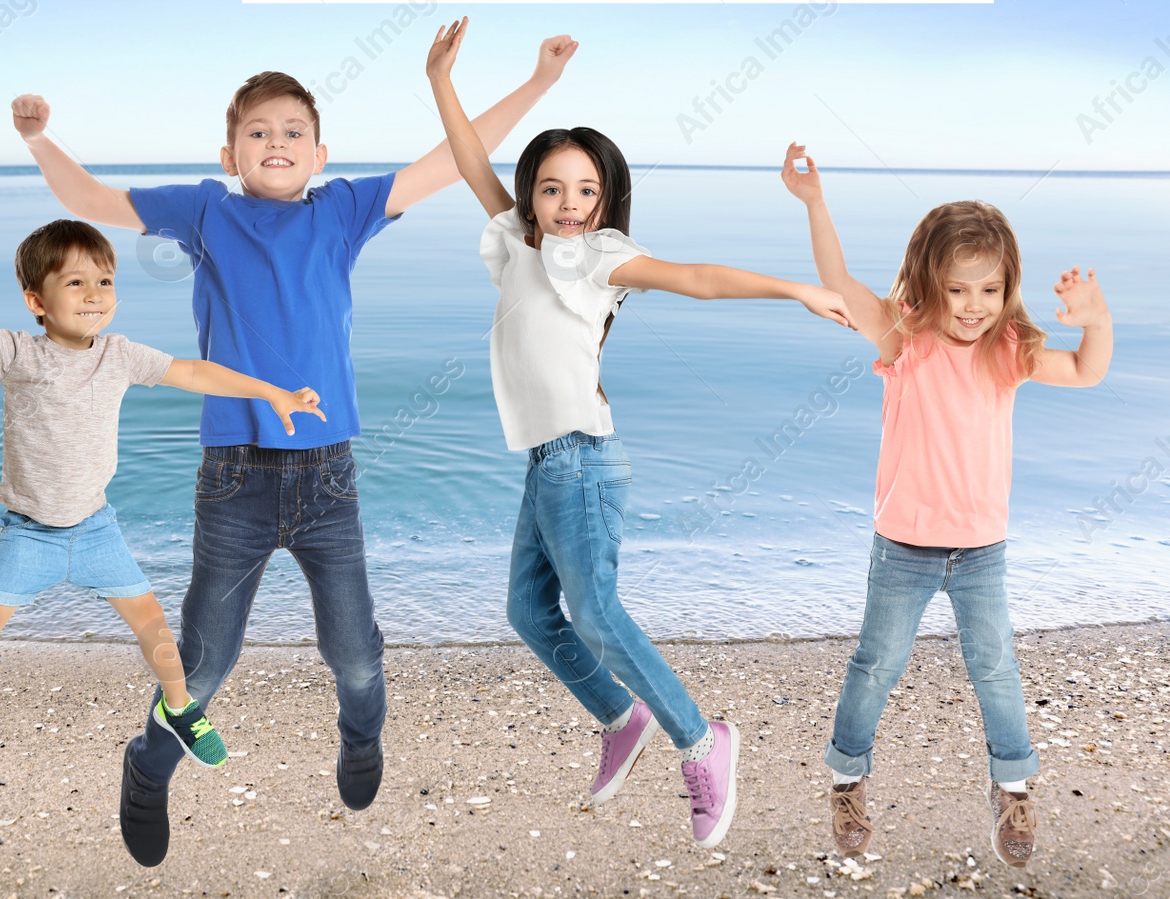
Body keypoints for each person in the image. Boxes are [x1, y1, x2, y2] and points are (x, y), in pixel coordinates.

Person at [13, 26, 581, 867]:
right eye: (258, 132)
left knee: (355, 657)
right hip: (234, 480)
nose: (275, 143)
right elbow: (93, 198)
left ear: (320, 153)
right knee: (202, 669)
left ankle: (361, 741)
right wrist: (37, 141)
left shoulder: (344, 211)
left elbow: (449, 162)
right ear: (229, 151)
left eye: (292, 133)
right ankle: (148, 765)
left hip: (327, 479)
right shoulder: (208, 210)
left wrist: (536, 81)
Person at [425, 19, 855, 849]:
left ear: (605, 200)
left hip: (583, 461)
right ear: (532, 196)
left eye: (585, 190)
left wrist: (796, 289)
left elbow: (696, 279)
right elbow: (470, 161)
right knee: (527, 609)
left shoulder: (599, 257)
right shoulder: (519, 245)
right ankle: (621, 717)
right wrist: (444, 80)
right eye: (552, 188)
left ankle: (701, 739)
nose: (569, 204)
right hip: (545, 461)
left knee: (592, 608)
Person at [0, 219, 325, 781]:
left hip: (96, 530)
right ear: (37, 301)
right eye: (75, 284)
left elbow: (193, 371)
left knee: (152, 623)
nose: (95, 295)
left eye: (104, 281)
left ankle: (177, 707)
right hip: (30, 535)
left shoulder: (120, 355)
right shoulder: (16, 354)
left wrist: (273, 391)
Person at [782, 141, 1114, 867]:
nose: (973, 306)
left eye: (989, 290)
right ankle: (846, 776)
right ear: (930, 284)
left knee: (996, 670)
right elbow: (836, 278)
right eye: (958, 290)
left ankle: (1014, 785)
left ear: (1007, 291)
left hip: (981, 551)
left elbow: (1090, 369)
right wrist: (815, 202)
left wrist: (1096, 316)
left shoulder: (1011, 352)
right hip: (901, 547)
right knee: (875, 666)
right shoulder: (904, 339)